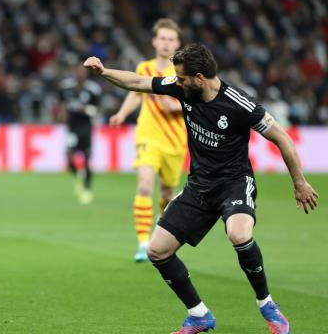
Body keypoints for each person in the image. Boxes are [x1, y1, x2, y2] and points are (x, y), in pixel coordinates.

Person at [84, 43, 318, 334]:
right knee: (157, 251)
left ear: (199, 77)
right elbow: (138, 81)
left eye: (181, 78)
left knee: (239, 233)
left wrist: (299, 182)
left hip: (234, 183)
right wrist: (104, 72)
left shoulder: (239, 104)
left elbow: (282, 138)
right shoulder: (182, 87)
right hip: (199, 185)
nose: (176, 82)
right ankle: (198, 315)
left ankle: (266, 304)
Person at [109, 18, 186, 262]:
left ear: (178, 44)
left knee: (167, 193)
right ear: (154, 41)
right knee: (144, 184)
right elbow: (135, 92)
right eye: (162, 38)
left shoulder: (184, 72)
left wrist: (174, 106)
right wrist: (122, 113)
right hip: (148, 136)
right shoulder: (144, 68)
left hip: (175, 141)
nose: (166, 43)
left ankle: (160, 236)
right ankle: (143, 243)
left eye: (171, 39)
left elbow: (196, 103)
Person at [58, 63, 102, 204]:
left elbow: (97, 110)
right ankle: (78, 176)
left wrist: (86, 109)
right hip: (72, 127)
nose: (80, 74)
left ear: (87, 74)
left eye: (82, 72)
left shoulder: (93, 90)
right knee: (69, 157)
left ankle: (87, 188)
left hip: (86, 128)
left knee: (87, 159)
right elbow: (61, 104)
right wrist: (62, 112)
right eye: (77, 71)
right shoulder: (66, 87)